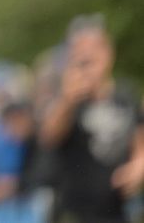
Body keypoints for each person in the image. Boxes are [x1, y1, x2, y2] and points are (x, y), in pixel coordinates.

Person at [37, 15, 144, 223]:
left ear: (107, 54)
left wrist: (138, 166)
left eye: (92, 54)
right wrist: (67, 101)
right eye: (79, 56)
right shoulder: (64, 99)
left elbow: (139, 138)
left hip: (117, 213)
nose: (86, 62)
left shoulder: (125, 95)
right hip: (72, 214)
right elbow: (48, 137)